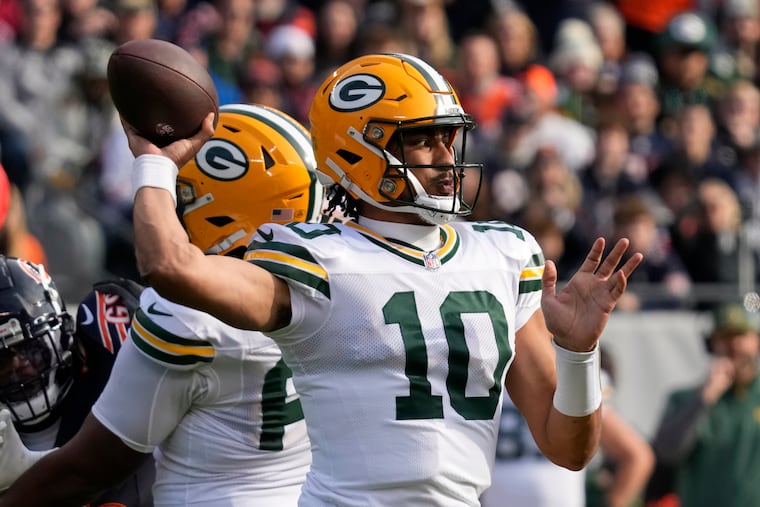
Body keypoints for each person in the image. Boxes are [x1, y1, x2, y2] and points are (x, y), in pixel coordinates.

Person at [122, 52, 643, 505]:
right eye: (424, 142)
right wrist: (155, 164)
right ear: (359, 151)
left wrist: (578, 354)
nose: (446, 159)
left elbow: (569, 449)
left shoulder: (504, 254)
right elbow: (170, 266)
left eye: (449, 138)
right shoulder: (316, 257)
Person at [0, 103, 323, 506]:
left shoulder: (186, 320)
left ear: (222, 212)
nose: (169, 212)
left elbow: (89, 468)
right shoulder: (337, 278)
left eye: (180, 198)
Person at [0, 255, 154, 506]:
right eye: (2, 359)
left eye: (30, 348)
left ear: (61, 333)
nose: (19, 364)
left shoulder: (108, 373)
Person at [650, 300, 760, 507]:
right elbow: (667, 452)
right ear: (712, 344)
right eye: (725, 337)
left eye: (741, 335)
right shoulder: (684, 399)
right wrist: (703, 399)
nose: (734, 345)